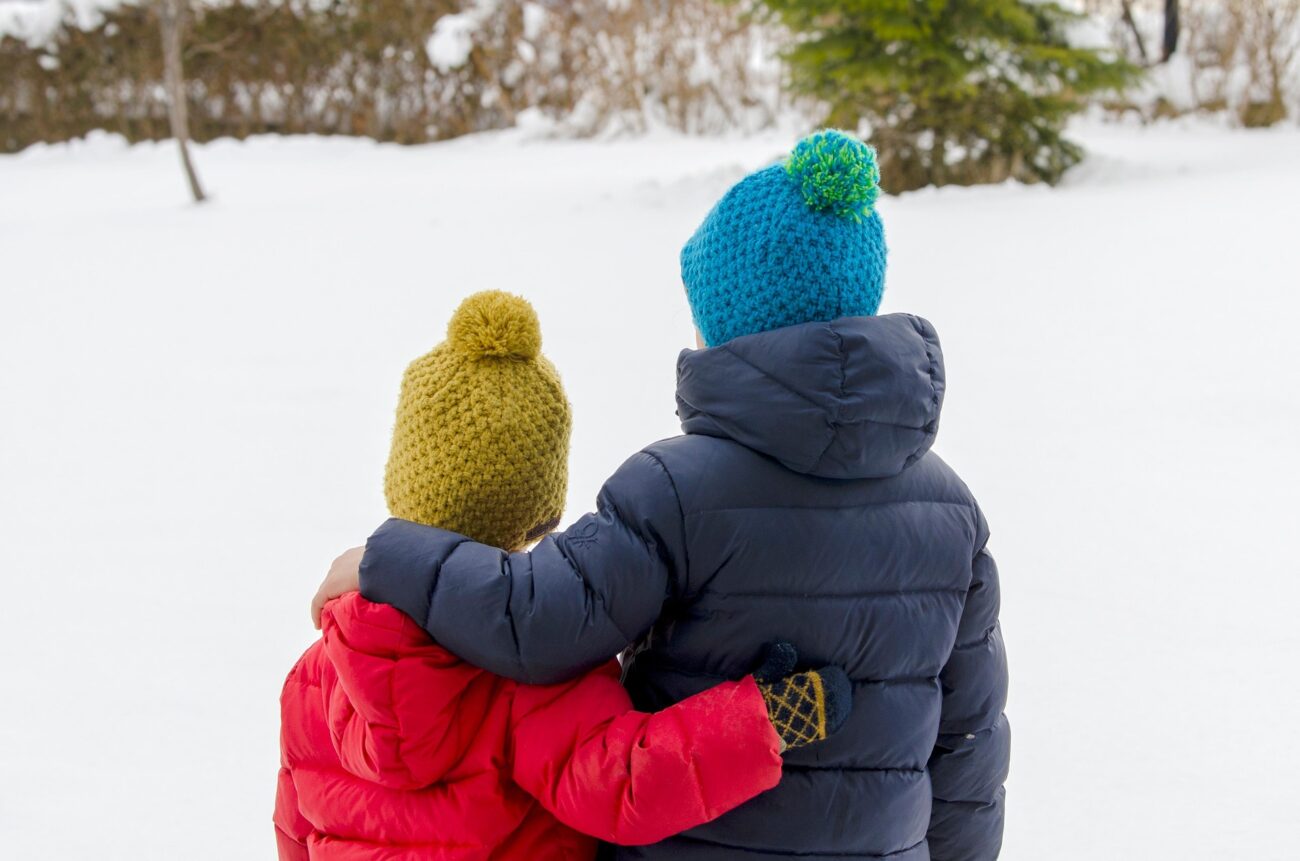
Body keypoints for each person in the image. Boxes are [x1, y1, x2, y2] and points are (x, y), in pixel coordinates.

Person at [314, 130, 1010, 860]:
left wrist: (391, 553)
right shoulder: (952, 513)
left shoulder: (674, 492)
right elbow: (971, 740)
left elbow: (539, 617)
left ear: (730, 322)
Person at [277, 290, 850, 860]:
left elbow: (295, 831)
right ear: (540, 510)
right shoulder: (527, 661)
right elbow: (625, 783)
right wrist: (763, 720)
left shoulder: (314, 677)